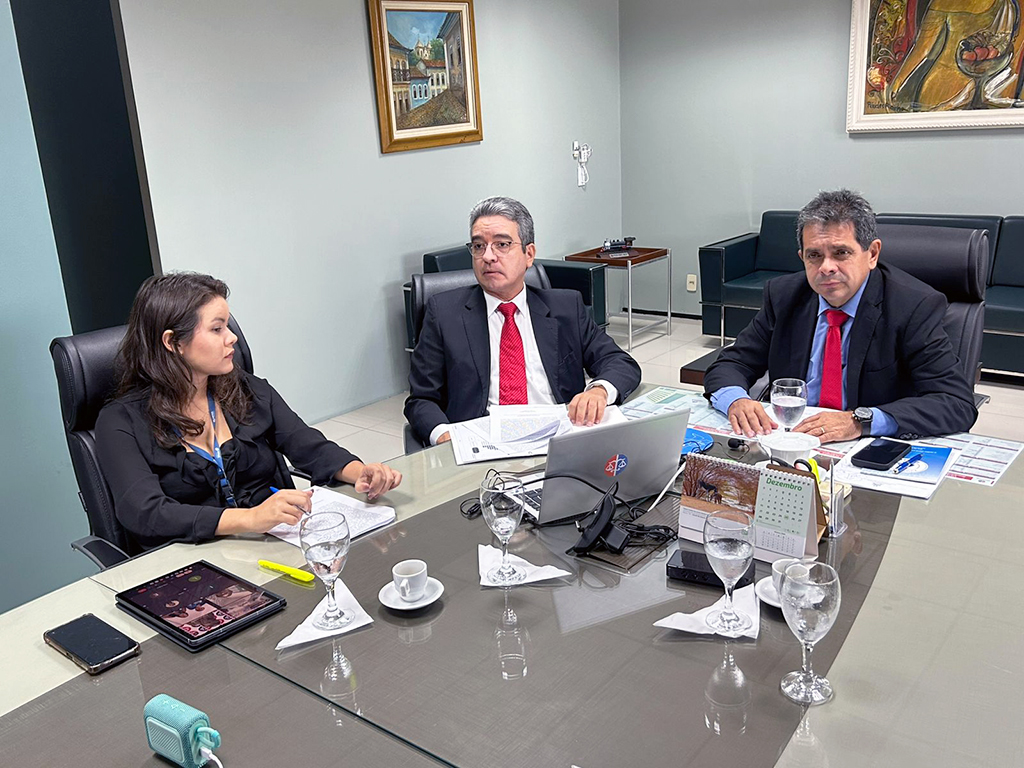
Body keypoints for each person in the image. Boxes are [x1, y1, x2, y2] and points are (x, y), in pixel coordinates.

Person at [96, 272, 402, 550]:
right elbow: (145, 512)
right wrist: (251, 518)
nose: (232, 337)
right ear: (173, 342)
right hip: (192, 564)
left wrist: (360, 472)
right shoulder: (120, 421)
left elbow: (308, 445)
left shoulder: (245, 388)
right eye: (217, 329)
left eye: (227, 326)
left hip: (275, 547)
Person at [704, 189, 977, 444]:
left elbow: (956, 403)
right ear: (802, 257)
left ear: (872, 254)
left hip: (867, 445)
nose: (826, 267)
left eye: (841, 253)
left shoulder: (912, 306)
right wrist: (736, 401)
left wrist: (859, 421)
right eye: (814, 255)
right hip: (792, 440)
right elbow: (731, 363)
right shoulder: (784, 296)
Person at [405, 196, 642, 446]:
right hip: (482, 444)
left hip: (559, 439)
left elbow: (620, 362)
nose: (488, 256)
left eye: (502, 244)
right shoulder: (444, 313)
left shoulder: (565, 308)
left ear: (529, 254)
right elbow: (421, 399)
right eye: (478, 246)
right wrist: (444, 435)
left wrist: (599, 391)